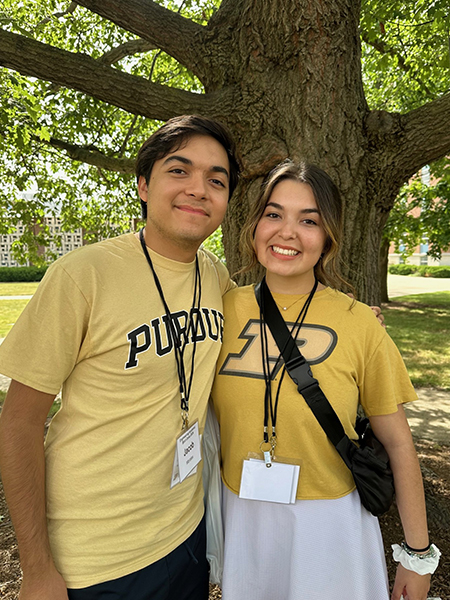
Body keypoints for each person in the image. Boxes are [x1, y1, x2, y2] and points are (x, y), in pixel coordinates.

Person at [0, 114, 241, 600]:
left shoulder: (215, 276)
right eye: (180, 171)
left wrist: (348, 320)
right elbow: (20, 423)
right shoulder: (83, 275)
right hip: (94, 561)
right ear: (144, 186)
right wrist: (38, 568)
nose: (199, 189)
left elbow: (270, 324)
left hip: (186, 532)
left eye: (216, 180)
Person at [211, 160, 440, 600]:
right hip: (243, 514)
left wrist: (416, 555)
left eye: (309, 220)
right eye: (274, 214)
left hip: (330, 525)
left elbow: (397, 443)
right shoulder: (220, 309)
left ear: (329, 236)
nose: (287, 232)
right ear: (255, 224)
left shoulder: (358, 322)